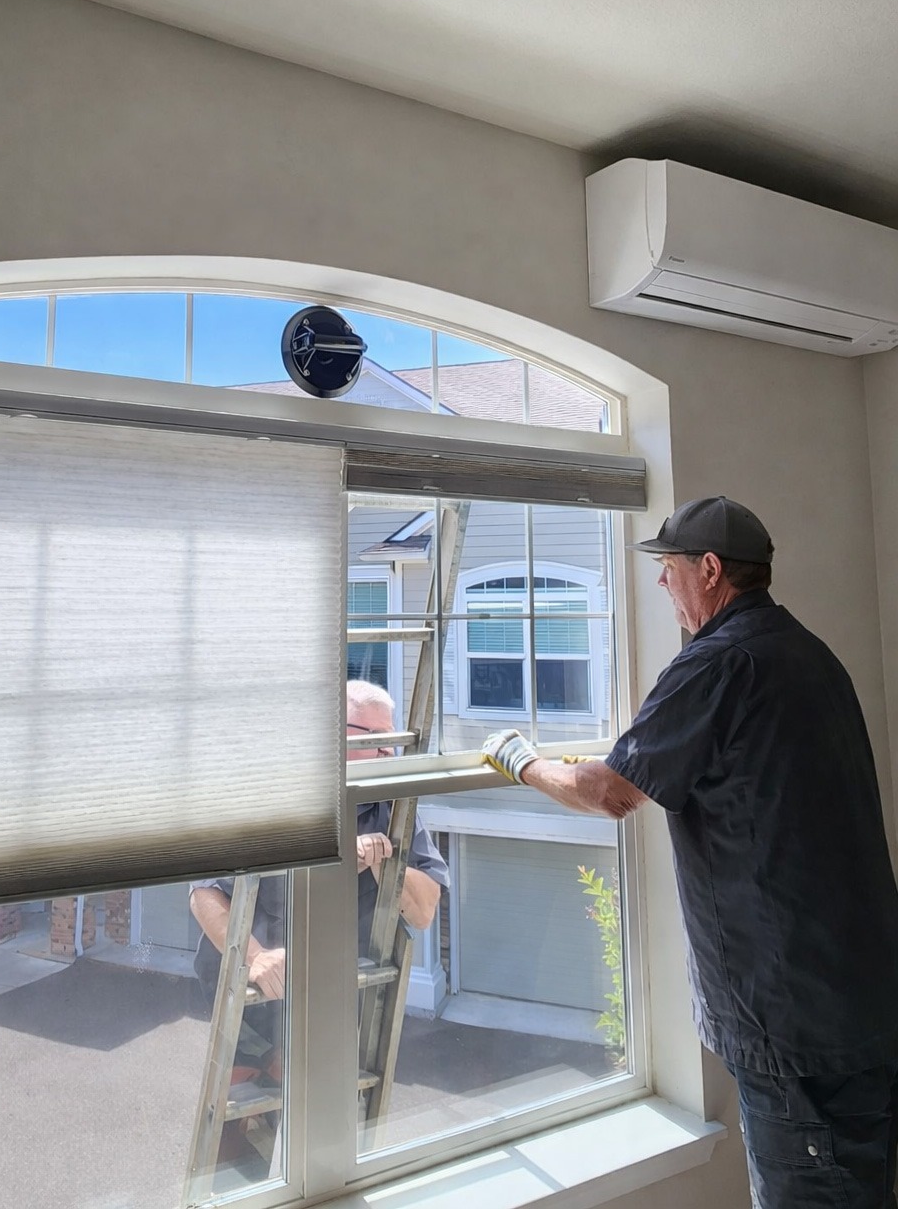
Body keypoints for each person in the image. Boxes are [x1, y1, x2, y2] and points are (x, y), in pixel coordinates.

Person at [482, 496, 898, 1209]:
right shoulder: (808, 654)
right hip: (858, 998)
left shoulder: (718, 663)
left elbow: (610, 791)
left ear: (710, 570)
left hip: (793, 1023)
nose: (659, 583)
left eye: (668, 568)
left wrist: (523, 761)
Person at [189, 679, 449, 1082]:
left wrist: (383, 861)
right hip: (257, 998)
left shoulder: (392, 808)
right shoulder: (273, 795)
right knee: (245, 1124)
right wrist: (256, 958)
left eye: (393, 739)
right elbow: (204, 894)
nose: (388, 751)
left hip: (336, 1000)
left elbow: (425, 910)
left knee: (329, 1126)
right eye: (377, 738)